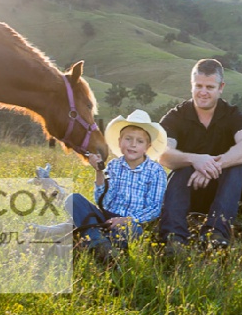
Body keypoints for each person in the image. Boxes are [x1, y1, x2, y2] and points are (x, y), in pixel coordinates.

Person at [159, 59, 242, 250]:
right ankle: (174, 238)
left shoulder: (232, 114)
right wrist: (195, 160)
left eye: (209, 87)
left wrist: (213, 165)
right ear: (191, 85)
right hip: (186, 190)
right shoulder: (177, 115)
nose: (203, 92)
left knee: (237, 166)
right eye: (198, 86)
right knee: (181, 167)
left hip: (222, 193)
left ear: (221, 88)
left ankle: (216, 233)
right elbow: (163, 153)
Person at [63, 109, 168, 255]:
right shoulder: (113, 166)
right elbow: (102, 200)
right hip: (106, 217)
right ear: (119, 142)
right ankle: (100, 244)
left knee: (131, 232)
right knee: (73, 200)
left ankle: (94, 240)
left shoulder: (155, 171)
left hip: (131, 223)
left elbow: (154, 208)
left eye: (139, 141)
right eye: (128, 139)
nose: (133, 145)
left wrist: (126, 220)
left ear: (147, 147)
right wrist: (99, 171)